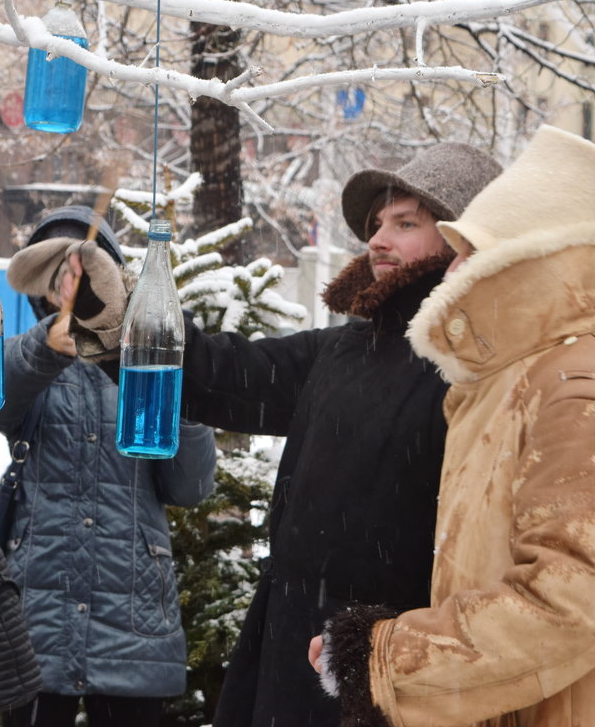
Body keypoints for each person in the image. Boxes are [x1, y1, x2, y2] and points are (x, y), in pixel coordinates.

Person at [61, 143, 502, 726]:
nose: (377, 241)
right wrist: (118, 317)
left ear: (464, 240)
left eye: (406, 223)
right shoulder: (344, 348)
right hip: (291, 643)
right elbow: (223, 374)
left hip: (388, 666)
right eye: (377, 224)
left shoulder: (479, 367)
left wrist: (395, 649)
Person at [311, 125, 595, 726]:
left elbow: (573, 599)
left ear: (527, 262)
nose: (451, 271)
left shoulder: (573, 386)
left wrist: (388, 657)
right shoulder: (501, 382)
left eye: (470, 252)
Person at [0, 206, 218, 727]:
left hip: (133, 617)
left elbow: (191, 486)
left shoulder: (146, 355)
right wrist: (45, 351)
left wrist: (185, 391)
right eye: (57, 273)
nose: (71, 284)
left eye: (85, 270)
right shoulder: (29, 359)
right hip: (37, 619)